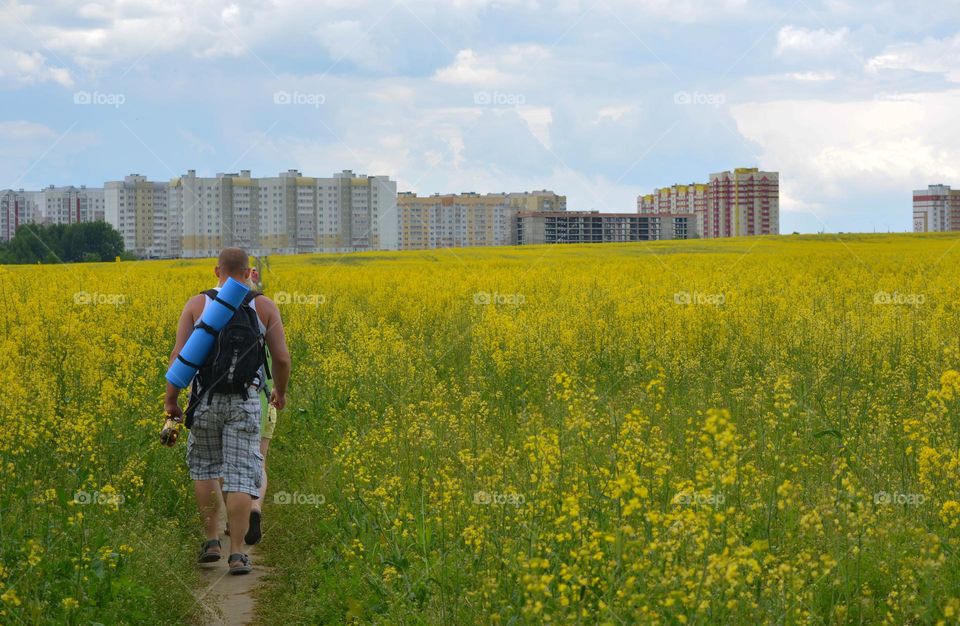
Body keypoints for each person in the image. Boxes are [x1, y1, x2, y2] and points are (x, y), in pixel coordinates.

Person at [164, 248, 291, 575]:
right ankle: (237, 553)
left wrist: (172, 402)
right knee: (239, 475)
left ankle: (211, 542)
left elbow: (180, 356)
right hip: (245, 400)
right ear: (250, 272)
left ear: (215, 270)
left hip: (204, 399)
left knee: (205, 469)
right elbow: (282, 359)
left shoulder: (197, 304)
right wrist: (280, 390)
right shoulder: (262, 306)